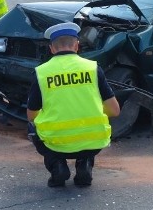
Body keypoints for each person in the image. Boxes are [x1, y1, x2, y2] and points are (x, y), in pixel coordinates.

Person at [27, 22, 121, 188]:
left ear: (51, 49)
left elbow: (31, 115)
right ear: (77, 46)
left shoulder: (41, 72)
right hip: (93, 141)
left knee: (31, 127)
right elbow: (114, 110)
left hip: (55, 143)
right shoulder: (93, 68)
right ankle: (84, 163)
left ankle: (57, 166)